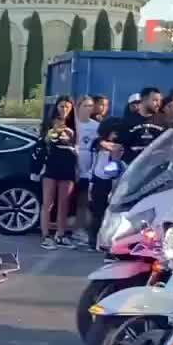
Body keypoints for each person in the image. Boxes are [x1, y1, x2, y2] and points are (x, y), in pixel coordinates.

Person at [33, 97, 78, 250]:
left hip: (68, 167)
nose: (64, 109)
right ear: (57, 107)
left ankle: (61, 234)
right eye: (61, 106)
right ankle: (46, 235)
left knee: (64, 203)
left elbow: (77, 146)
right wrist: (51, 134)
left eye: (67, 107)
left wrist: (71, 138)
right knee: (48, 203)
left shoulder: (74, 125)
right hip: (51, 167)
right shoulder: (49, 123)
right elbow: (42, 143)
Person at [72, 95, 101, 247]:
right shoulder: (73, 124)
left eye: (90, 106)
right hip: (72, 164)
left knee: (83, 200)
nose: (88, 109)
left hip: (88, 166)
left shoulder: (95, 126)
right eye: (85, 106)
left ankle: (79, 228)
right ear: (78, 107)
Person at [116, 86, 164, 164]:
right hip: (132, 169)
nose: (158, 104)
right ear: (144, 100)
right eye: (155, 100)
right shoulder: (127, 121)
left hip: (155, 170)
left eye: (160, 101)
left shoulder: (164, 121)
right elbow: (119, 146)